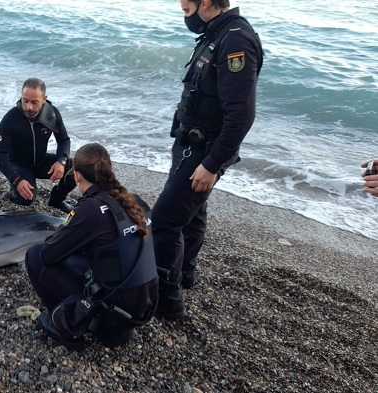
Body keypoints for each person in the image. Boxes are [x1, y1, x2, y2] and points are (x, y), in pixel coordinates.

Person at [151, 0, 263, 320]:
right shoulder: (217, 34)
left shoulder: (236, 40)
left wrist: (212, 165)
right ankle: (184, 275)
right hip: (189, 146)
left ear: (203, 2)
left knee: (164, 222)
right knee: (193, 214)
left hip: (203, 154)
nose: (182, 11)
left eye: (186, 9)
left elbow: (241, 116)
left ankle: (167, 303)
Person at [25, 143, 158, 349]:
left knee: (34, 256)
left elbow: (48, 255)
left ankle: (69, 326)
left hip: (115, 310)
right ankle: (114, 325)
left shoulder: (91, 209)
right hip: (145, 304)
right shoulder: (136, 202)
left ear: (77, 176)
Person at [0, 77, 76, 214]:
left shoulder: (52, 114)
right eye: (25, 100)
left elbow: (64, 140)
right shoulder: (11, 118)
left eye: (34, 102)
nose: (28, 107)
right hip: (19, 164)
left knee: (75, 169)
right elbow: (0, 155)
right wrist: (16, 180)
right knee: (26, 199)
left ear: (44, 99)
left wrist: (61, 161)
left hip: (41, 161)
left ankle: (57, 200)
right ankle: (14, 192)